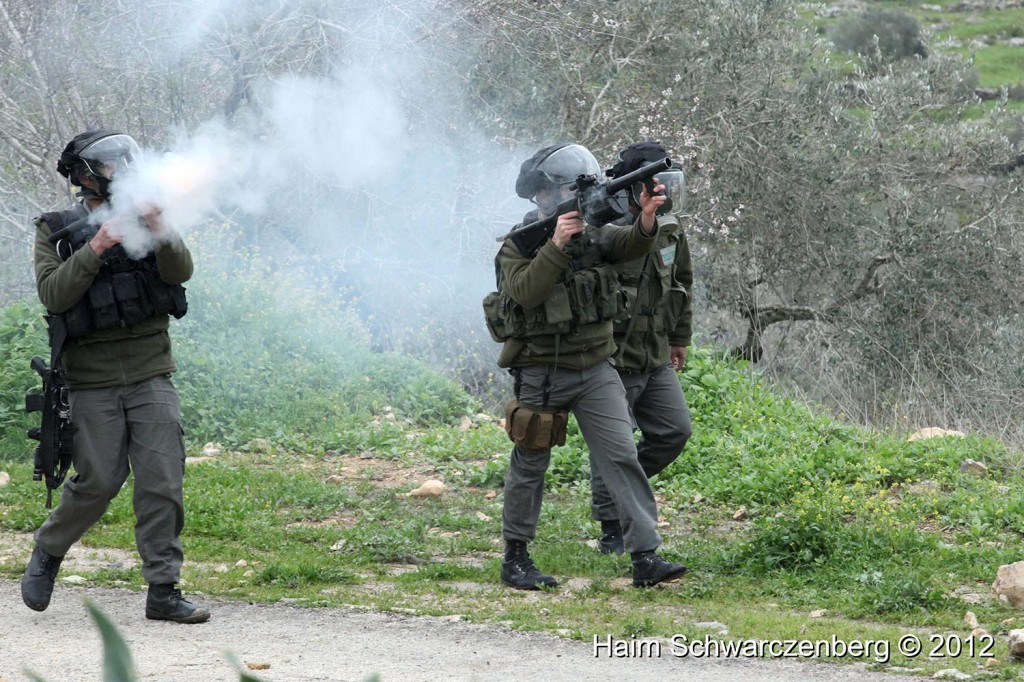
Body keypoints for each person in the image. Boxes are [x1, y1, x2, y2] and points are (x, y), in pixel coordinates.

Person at [21, 130, 209, 624]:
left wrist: (160, 226)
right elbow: (54, 295)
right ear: (85, 176)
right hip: (91, 379)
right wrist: (98, 246)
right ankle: (48, 550)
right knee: (98, 480)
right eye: (108, 165)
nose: (120, 170)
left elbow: (180, 272)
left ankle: (163, 590)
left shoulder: (150, 214)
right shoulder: (57, 229)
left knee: (162, 479)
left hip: (150, 370)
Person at [483, 143, 687, 589]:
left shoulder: (596, 235)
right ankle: (515, 558)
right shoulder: (520, 244)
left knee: (621, 455)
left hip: (596, 368)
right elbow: (525, 292)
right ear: (542, 196)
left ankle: (645, 556)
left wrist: (648, 217)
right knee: (531, 463)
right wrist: (556, 244)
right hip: (540, 371)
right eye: (554, 193)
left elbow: (630, 243)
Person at [588, 141, 695, 555]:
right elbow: (623, 243)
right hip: (614, 356)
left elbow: (681, 282)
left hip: (654, 354)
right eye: (653, 188)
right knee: (615, 446)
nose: (661, 196)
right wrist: (644, 220)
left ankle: (624, 488)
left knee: (674, 431)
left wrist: (679, 337)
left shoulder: (670, 227)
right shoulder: (607, 227)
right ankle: (612, 524)